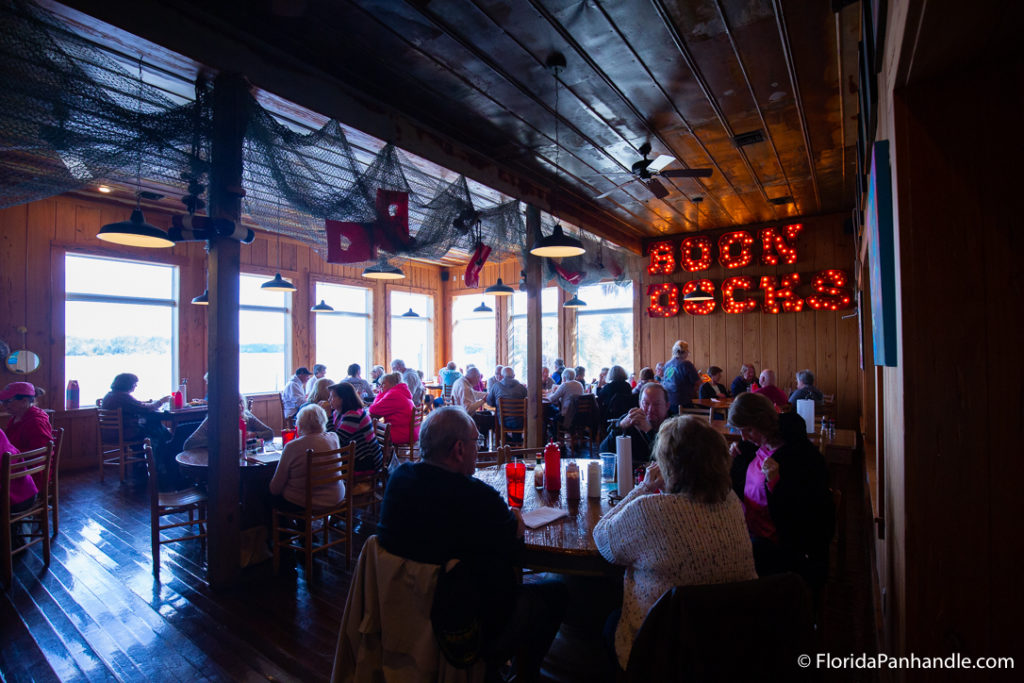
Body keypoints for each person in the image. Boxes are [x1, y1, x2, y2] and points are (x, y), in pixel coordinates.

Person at [377, 407, 567, 681]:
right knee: (555, 593)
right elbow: (517, 556)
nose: (477, 448)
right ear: (458, 449)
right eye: (475, 442)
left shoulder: (399, 480)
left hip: (400, 618)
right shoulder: (479, 499)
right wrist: (514, 519)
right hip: (465, 630)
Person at [593, 416, 757, 670]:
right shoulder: (731, 501)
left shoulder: (651, 510)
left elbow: (603, 540)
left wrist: (643, 488)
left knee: (608, 621)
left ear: (669, 464)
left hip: (662, 648)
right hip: (730, 641)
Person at [727, 392, 834, 586]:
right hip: (752, 535)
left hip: (788, 551)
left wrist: (776, 483)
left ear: (763, 423)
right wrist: (735, 462)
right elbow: (741, 491)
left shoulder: (800, 456)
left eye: (748, 430)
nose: (742, 437)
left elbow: (808, 516)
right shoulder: (754, 448)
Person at [269, 404, 343, 512]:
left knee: (270, 495)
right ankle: (301, 526)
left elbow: (275, 488)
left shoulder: (292, 446)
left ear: (300, 424)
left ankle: (286, 527)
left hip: (308, 502)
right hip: (336, 496)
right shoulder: (333, 437)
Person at [599, 382, 670, 464]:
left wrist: (649, 431)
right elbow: (604, 452)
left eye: (657, 404)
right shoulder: (631, 418)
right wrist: (620, 428)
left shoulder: (675, 425)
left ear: (667, 406)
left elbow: (669, 459)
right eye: (646, 403)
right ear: (640, 404)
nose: (651, 409)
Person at [0, 382, 53, 489]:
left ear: (24, 401)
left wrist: (10, 457)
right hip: (16, 469)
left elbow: (41, 454)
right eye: (2, 401)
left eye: (8, 401)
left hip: (30, 477)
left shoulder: (36, 422)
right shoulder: (15, 418)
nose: (4, 405)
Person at [101, 373, 172, 444]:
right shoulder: (123, 397)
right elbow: (144, 409)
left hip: (109, 433)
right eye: (135, 383)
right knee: (155, 426)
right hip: (125, 432)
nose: (136, 386)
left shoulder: (109, 395)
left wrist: (151, 404)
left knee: (153, 425)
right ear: (128, 384)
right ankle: (167, 447)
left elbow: (138, 405)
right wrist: (161, 401)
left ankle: (150, 451)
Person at [328, 382, 383, 473]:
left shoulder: (353, 415)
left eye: (333, 397)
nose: (329, 400)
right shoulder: (338, 412)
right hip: (355, 455)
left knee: (325, 468)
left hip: (366, 460)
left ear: (343, 399)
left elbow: (335, 441)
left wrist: (328, 416)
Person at [183, 395, 274, 450]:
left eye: (241, 402)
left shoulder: (247, 416)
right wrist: (223, 440)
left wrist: (252, 434)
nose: (240, 406)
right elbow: (189, 444)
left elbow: (269, 433)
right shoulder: (213, 419)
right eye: (234, 403)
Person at [369, 372, 419, 447]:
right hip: (411, 431)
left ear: (392, 384)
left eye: (383, 384)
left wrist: (380, 394)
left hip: (401, 433)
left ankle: (382, 456)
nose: (381, 386)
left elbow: (373, 409)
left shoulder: (393, 394)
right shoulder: (401, 391)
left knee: (370, 431)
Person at [486, 367, 528, 437]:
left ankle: (504, 442)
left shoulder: (496, 386)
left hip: (503, 422)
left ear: (502, 376)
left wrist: (497, 404)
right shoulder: (521, 387)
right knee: (517, 418)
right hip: (520, 422)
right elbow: (528, 399)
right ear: (514, 376)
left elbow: (489, 402)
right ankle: (517, 442)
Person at [662, 340, 700, 411]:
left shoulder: (667, 364)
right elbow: (697, 382)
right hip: (683, 402)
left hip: (669, 403)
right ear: (685, 352)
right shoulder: (686, 364)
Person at [547, 367, 583, 434]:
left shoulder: (565, 385)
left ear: (563, 377)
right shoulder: (580, 385)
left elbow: (552, 399)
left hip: (567, 416)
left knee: (554, 419)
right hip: (579, 415)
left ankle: (556, 440)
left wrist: (552, 392)